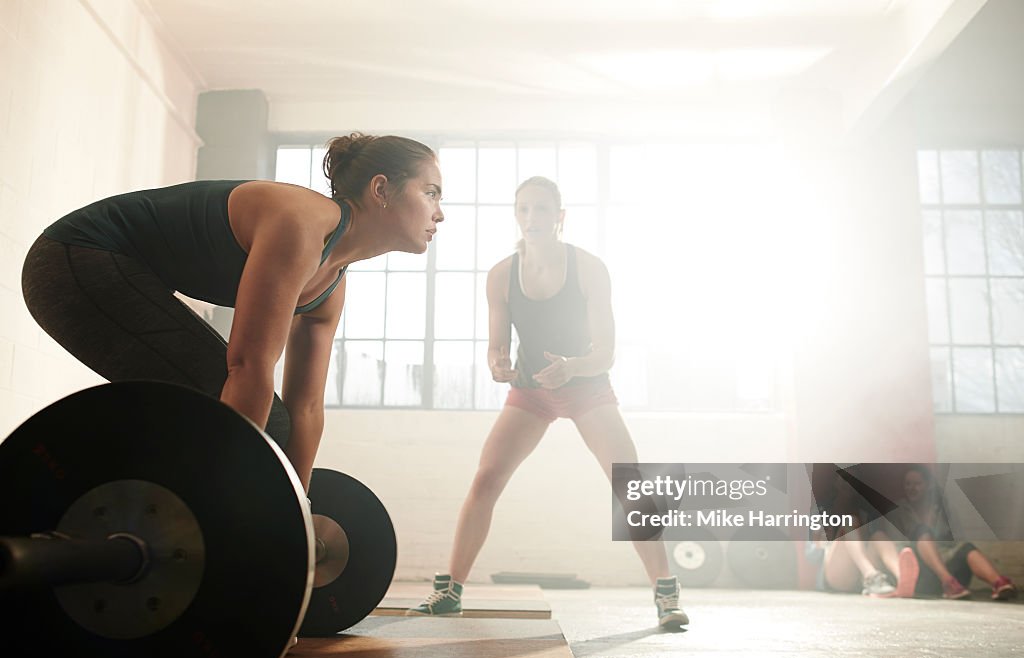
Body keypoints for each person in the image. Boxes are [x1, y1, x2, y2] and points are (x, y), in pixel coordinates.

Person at [22, 133, 444, 493]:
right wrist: (233, 495)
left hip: (117, 270)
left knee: (272, 429)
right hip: (75, 260)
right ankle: (68, 496)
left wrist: (297, 505)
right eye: (430, 192)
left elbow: (307, 407)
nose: (439, 213)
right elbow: (248, 366)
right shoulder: (301, 223)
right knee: (253, 424)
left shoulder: (330, 285)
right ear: (382, 190)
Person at [407, 176, 688, 629]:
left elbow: (606, 351)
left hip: (587, 387)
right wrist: (498, 364)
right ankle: (449, 591)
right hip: (532, 391)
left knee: (630, 483)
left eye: (541, 209)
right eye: (524, 209)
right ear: (516, 216)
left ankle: (666, 595)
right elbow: (497, 346)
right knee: (486, 479)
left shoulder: (589, 268)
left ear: (560, 217)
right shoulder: (502, 275)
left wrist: (573, 368)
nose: (532, 217)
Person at [889, 465, 1017, 601]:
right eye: (907, 484)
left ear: (927, 485)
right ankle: (948, 582)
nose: (911, 488)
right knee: (922, 531)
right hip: (918, 574)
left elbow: (955, 540)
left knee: (966, 548)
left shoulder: (940, 508)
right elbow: (894, 545)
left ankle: (999, 583)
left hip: (950, 571)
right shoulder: (899, 509)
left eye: (917, 484)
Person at [806, 473, 919, 598]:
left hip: (859, 575)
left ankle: (902, 578)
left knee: (878, 536)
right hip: (836, 574)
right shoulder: (819, 512)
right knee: (850, 521)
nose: (849, 484)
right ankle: (871, 576)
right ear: (836, 482)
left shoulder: (864, 513)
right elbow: (811, 556)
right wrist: (820, 541)